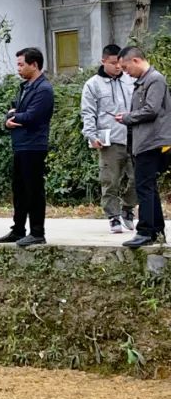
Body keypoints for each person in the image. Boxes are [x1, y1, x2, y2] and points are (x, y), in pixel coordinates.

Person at [0, 48, 55, 247]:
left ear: (34, 64)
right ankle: (18, 228)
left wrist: (14, 116)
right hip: (20, 144)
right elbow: (11, 111)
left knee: (33, 189)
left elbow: (33, 116)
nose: (18, 69)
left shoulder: (43, 89)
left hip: (34, 145)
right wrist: (9, 118)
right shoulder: (24, 87)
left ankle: (37, 231)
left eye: (22, 64)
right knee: (19, 189)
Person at [115, 46, 171, 248]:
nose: (125, 72)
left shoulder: (154, 79)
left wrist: (128, 117)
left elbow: (151, 109)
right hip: (143, 142)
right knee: (149, 187)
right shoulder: (143, 81)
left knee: (144, 187)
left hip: (152, 141)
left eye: (126, 67)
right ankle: (156, 230)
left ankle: (145, 231)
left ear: (136, 61)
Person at [81, 44, 137, 233]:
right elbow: (88, 112)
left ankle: (128, 209)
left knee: (138, 178)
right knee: (110, 180)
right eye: (113, 63)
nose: (117, 67)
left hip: (133, 138)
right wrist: (91, 134)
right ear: (103, 61)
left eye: (120, 63)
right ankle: (113, 216)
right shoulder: (92, 84)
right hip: (109, 140)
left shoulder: (130, 80)